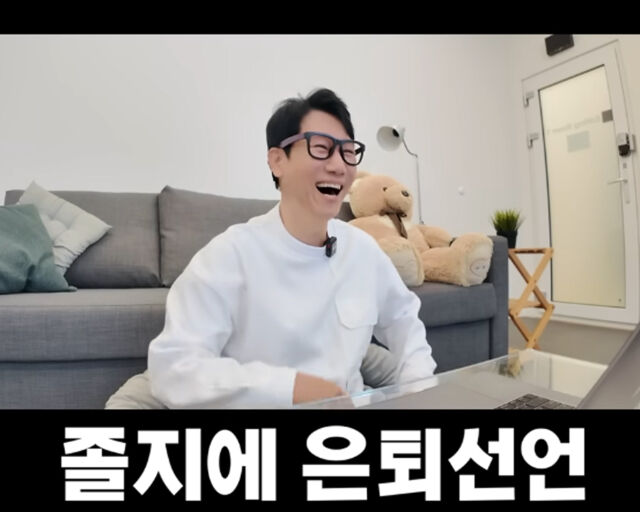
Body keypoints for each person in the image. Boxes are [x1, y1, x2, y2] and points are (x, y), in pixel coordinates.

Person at [147, 88, 436, 408]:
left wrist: (419, 389)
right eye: (322, 148)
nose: (339, 166)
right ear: (277, 161)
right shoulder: (229, 255)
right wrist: (291, 388)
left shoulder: (362, 249)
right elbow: (173, 368)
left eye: (347, 152)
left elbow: (404, 319)